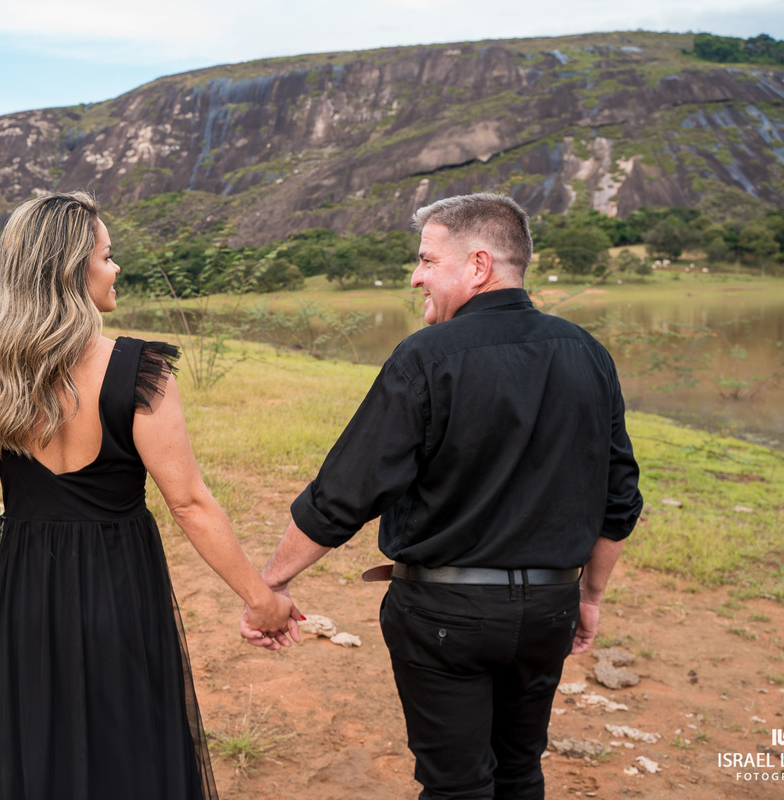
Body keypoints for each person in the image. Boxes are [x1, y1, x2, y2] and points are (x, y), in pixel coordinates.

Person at [241, 193, 643, 800]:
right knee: (519, 770)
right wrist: (588, 595)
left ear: (478, 266)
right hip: (549, 612)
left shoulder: (426, 357)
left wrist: (270, 583)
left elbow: (343, 494)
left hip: (445, 616)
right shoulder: (587, 352)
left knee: (456, 786)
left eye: (427, 259)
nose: (415, 275)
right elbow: (620, 499)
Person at [0, 191, 297, 799]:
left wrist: (3, 567)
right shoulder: (139, 371)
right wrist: (260, 598)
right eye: (108, 255)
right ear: (75, 270)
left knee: (39, 743)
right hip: (119, 583)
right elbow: (189, 503)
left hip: (23, 591)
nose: (116, 267)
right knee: (131, 739)